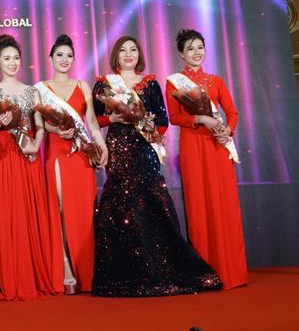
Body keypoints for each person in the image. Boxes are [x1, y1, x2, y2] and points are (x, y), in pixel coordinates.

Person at [92, 35, 221, 297]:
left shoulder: (150, 84)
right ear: (116, 55)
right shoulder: (104, 84)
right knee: (120, 207)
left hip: (144, 150)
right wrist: (112, 118)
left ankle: (160, 270)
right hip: (118, 148)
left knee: (151, 205)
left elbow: (163, 121)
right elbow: (95, 119)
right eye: (123, 50)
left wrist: (151, 129)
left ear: (139, 55)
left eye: (133, 50)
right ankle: (125, 274)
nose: (129, 54)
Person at [165, 29, 247, 290]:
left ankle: (232, 271)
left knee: (224, 203)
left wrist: (227, 131)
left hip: (218, 147)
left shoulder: (216, 81)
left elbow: (232, 112)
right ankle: (205, 273)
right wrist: (200, 118)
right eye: (190, 48)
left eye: (200, 47)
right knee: (199, 204)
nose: (196, 52)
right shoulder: (175, 83)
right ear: (181, 54)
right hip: (193, 146)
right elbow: (174, 117)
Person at [0, 34, 56, 300]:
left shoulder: (31, 91)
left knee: (29, 211)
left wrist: (36, 144)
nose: (12, 62)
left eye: (16, 58)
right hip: (3, 156)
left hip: (28, 156)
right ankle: (10, 276)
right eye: (7, 59)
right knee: (7, 210)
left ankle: (33, 274)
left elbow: (40, 127)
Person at [37, 34, 107, 294]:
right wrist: (56, 129)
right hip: (57, 152)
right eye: (60, 55)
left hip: (81, 155)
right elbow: (39, 124)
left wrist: (101, 145)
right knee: (61, 209)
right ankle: (66, 267)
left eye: (69, 55)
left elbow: (92, 121)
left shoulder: (83, 86)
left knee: (84, 212)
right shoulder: (41, 88)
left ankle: (87, 271)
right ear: (51, 59)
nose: (64, 59)